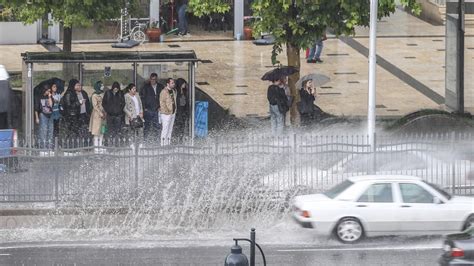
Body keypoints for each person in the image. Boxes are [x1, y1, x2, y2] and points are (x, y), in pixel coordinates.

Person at [61, 79, 91, 144]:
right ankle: (70, 147)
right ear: (73, 86)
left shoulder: (83, 93)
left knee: (83, 131)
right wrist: (79, 102)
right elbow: (68, 105)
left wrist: (88, 113)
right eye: (77, 85)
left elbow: (88, 104)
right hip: (72, 116)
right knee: (72, 131)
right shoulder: (69, 94)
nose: (79, 86)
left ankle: (83, 145)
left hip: (83, 115)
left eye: (80, 85)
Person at [140, 73, 163, 141]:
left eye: (154, 79)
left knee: (157, 127)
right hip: (148, 110)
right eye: (152, 79)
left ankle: (156, 141)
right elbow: (142, 98)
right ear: (150, 79)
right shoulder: (145, 87)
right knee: (147, 127)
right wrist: (145, 108)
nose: (153, 81)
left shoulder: (160, 86)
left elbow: (163, 98)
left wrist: (160, 106)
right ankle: (145, 141)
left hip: (157, 110)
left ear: (156, 79)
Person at [35, 84, 53, 150]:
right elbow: (36, 108)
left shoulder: (49, 97)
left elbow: (51, 105)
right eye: (48, 91)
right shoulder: (39, 97)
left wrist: (50, 97)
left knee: (50, 130)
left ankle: (49, 146)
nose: (49, 92)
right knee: (43, 131)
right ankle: (42, 147)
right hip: (43, 115)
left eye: (49, 91)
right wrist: (37, 117)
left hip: (50, 115)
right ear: (44, 90)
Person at [89, 81, 106, 152]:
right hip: (97, 115)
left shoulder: (103, 94)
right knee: (96, 131)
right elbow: (95, 106)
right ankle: (96, 147)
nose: (103, 86)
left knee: (102, 131)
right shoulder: (94, 95)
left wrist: (105, 113)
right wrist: (101, 113)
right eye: (101, 85)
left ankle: (101, 145)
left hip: (104, 114)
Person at [159, 78, 177, 146]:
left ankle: (168, 144)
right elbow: (162, 103)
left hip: (172, 112)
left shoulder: (173, 91)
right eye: (172, 83)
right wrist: (167, 111)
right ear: (167, 84)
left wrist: (174, 111)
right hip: (166, 114)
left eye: (173, 83)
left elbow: (174, 101)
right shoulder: (164, 91)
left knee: (170, 129)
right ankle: (163, 144)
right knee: (165, 129)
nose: (173, 84)